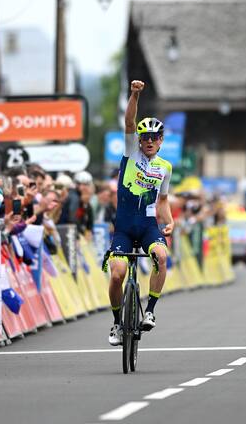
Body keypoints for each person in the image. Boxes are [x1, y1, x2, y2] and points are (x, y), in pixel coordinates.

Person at [105, 80, 173, 346]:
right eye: (145, 137)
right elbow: (130, 121)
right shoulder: (131, 152)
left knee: (161, 256)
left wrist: (170, 221)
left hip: (147, 226)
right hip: (123, 226)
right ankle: (116, 324)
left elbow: (163, 200)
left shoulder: (165, 167)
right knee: (118, 273)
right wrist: (135, 95)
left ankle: (150, 312)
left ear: (161, 141)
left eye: (154, 137)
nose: (148, 141)